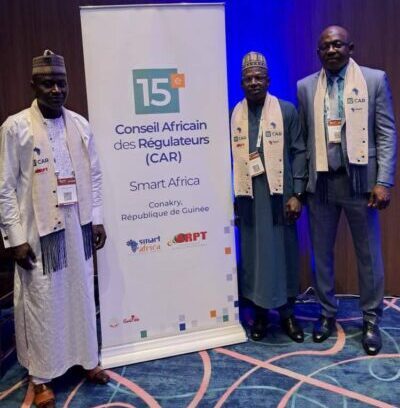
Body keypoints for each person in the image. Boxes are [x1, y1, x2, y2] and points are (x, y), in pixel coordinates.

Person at [0, 50, 109, 408]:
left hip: (77, 229)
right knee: (42, 301)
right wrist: (15, 239)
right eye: (48, 84)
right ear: (33, 85)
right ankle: (41, 376)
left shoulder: (80, 125)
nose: (56, 90)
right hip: (38, 235)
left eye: (61, 83)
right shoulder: (15, 128)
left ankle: (86, 359)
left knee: (81, 294)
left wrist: (97, 217)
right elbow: (4, 187)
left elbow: (94, 175)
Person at [297, 26, 397, 355]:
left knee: (368, 255)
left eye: (337, 44)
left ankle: (370, 319)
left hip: (360, 183)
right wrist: (300, 184)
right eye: (325, 46)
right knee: (321, 255)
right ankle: (326, 314)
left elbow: (386, 133)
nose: (331, 50)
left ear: (350, 47)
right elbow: (304, 139)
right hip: (322, 183)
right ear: (318, 52)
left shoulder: (374, 80)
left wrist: (383, 181)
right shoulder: (305, 87)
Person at [232, 52, 307, 342]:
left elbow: (299, 152)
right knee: (254, 256)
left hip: (280, 195)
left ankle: (288, 314)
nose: (254, 82)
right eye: (248, 78)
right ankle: (260, 314)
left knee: (283, 253)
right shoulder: (234, 115)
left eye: (259, 78)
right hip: (248, 198)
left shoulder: (286, 111)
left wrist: (297, 194)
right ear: (242, 83)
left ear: (268, 81)